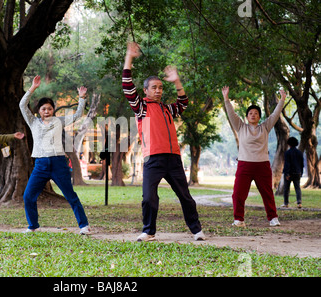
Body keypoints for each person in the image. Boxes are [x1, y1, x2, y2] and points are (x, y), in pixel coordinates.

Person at [122, 42, 205, 242]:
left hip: (174, 159)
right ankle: (149, 231)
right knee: (149, 198)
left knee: (185, 197)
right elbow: (126, 85)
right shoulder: (141, 107)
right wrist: (129, 58)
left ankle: (196, 230)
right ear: (146, 90)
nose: (158, 90)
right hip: (153, 160)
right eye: (154, 87)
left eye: (160, 87)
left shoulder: (168, 109)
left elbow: (183, 103)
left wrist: (177, 81)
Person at [19, 75, 90, 235]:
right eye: (43, 109)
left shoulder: (59, 121)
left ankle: (84, 225)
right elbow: (22, 105)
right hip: (41, 165)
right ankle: (33, 226)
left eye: (49, 108)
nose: (46, 111)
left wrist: (81, 99)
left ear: (53, 110)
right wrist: (32, 89)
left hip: (58, 163)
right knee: (28, 196)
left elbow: (78, 115)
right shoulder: (33, 122)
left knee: (70, 195)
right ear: (38, 111)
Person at [222, 86, 286, 227]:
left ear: (259, 116)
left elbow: (275, 115)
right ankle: (239, 219)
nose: (253, 115)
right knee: (238, 194)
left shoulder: (265, 127)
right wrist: (226, 99)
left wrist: (282, 100)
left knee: (267, 193)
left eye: (256, 113)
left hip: (262, 165)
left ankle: (273, 218)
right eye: (250, 113)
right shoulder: (240, 127)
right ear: (247, 116)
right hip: (244, 165)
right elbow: (231, 114)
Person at [282, 137, 304, 208]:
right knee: (297, 188)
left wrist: (287, 173)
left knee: (286, 189)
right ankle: (299, 203)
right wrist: (301, 172)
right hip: (297, 173)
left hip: (289, 173)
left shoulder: (287, 153)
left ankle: (286, 203)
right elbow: (302, 164)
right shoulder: (299, 153)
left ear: (289, 144)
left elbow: (287, 164)